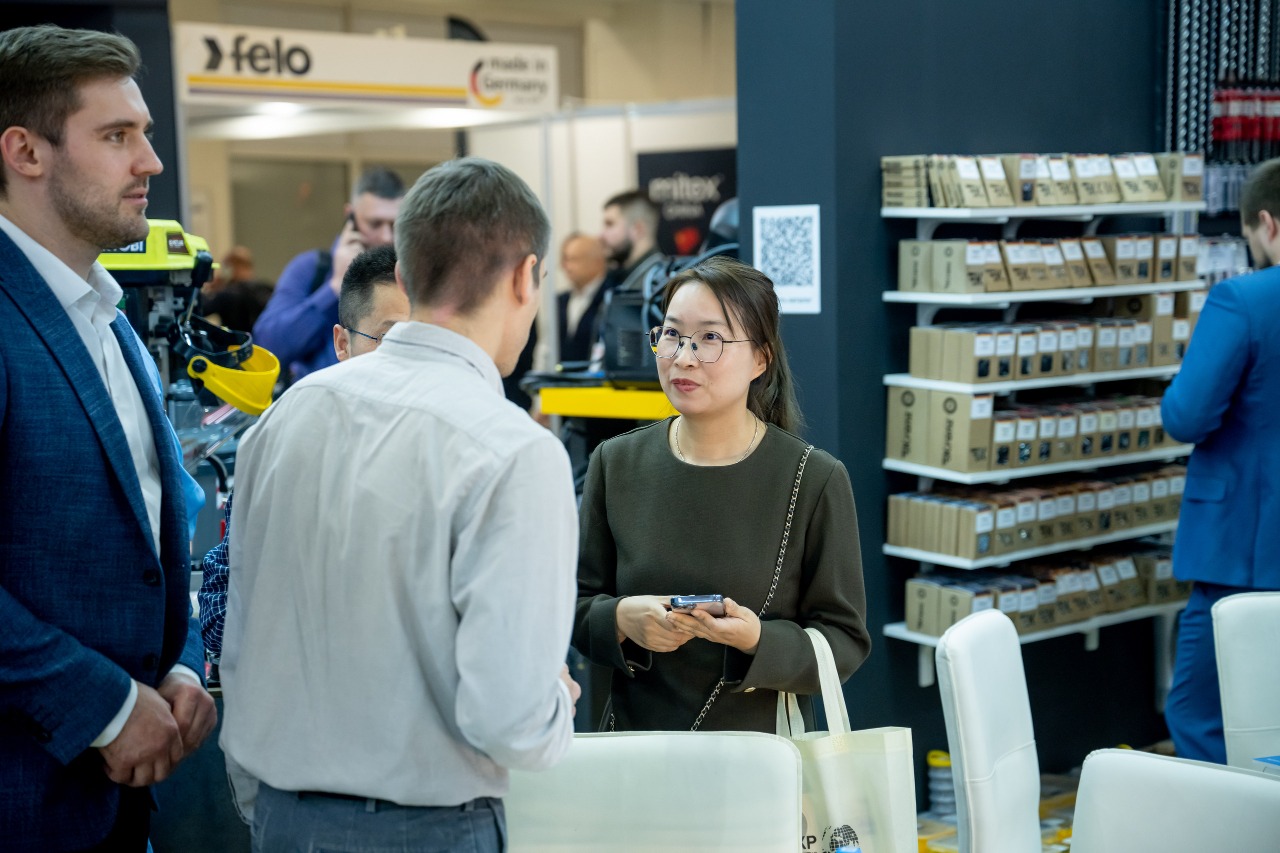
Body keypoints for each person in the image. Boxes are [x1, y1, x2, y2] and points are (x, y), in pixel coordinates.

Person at [221, 157, 580, 852]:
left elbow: (241, 634)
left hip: (281, 818)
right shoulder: (513, 449)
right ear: (525, 277)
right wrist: (555, 700)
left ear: (407, 277)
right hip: (430, 827)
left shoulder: (288, 413)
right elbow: (509, 720)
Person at [0, 25, 215, 851]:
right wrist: (109, 706)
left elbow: (156, 520)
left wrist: (180, 660)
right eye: (117, 136)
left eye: (145, 134)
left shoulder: (106, 316)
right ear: (26, 151)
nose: (150, 162)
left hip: (116, 805)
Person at [573, 256, 870, 732]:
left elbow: (845, 643)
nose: (683, 357)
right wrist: (622, 619)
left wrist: (759, 641)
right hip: (637, 748)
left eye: (710, 338)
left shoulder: (813, 478)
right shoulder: (616, 462)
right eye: (672, 334)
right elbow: (576, 606)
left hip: (759, 753)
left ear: (760, 358)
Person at [198, 244, 408, 827]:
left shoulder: (461, 451)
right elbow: (222, 602)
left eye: (426, 341)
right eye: (390, 340)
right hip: (305, 778)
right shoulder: (284, 441)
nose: (409, 362)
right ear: (342, 344)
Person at [1161, 158, 1280, 764]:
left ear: (1268, 224)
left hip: (1245, 548)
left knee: (1200, 713)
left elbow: (1186, 415)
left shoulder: (1244, 300)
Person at [252, 166, 404, 381]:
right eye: (375, 223)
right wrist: (335, 286)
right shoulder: (311, 268)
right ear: (350, 217)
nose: (386, 236)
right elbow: (268, 346)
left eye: (394, 224)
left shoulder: (412, 276)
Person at [556, 232, 609, 363]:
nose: (566, 267)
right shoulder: (559, 302)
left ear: (597, 262)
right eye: (564, 259)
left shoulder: (611, 298)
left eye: (573, 259)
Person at [599, 189, 664, 292]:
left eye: (610, 224)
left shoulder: (659, 285)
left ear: (638, 229)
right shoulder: (620, 277)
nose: (601, 235)